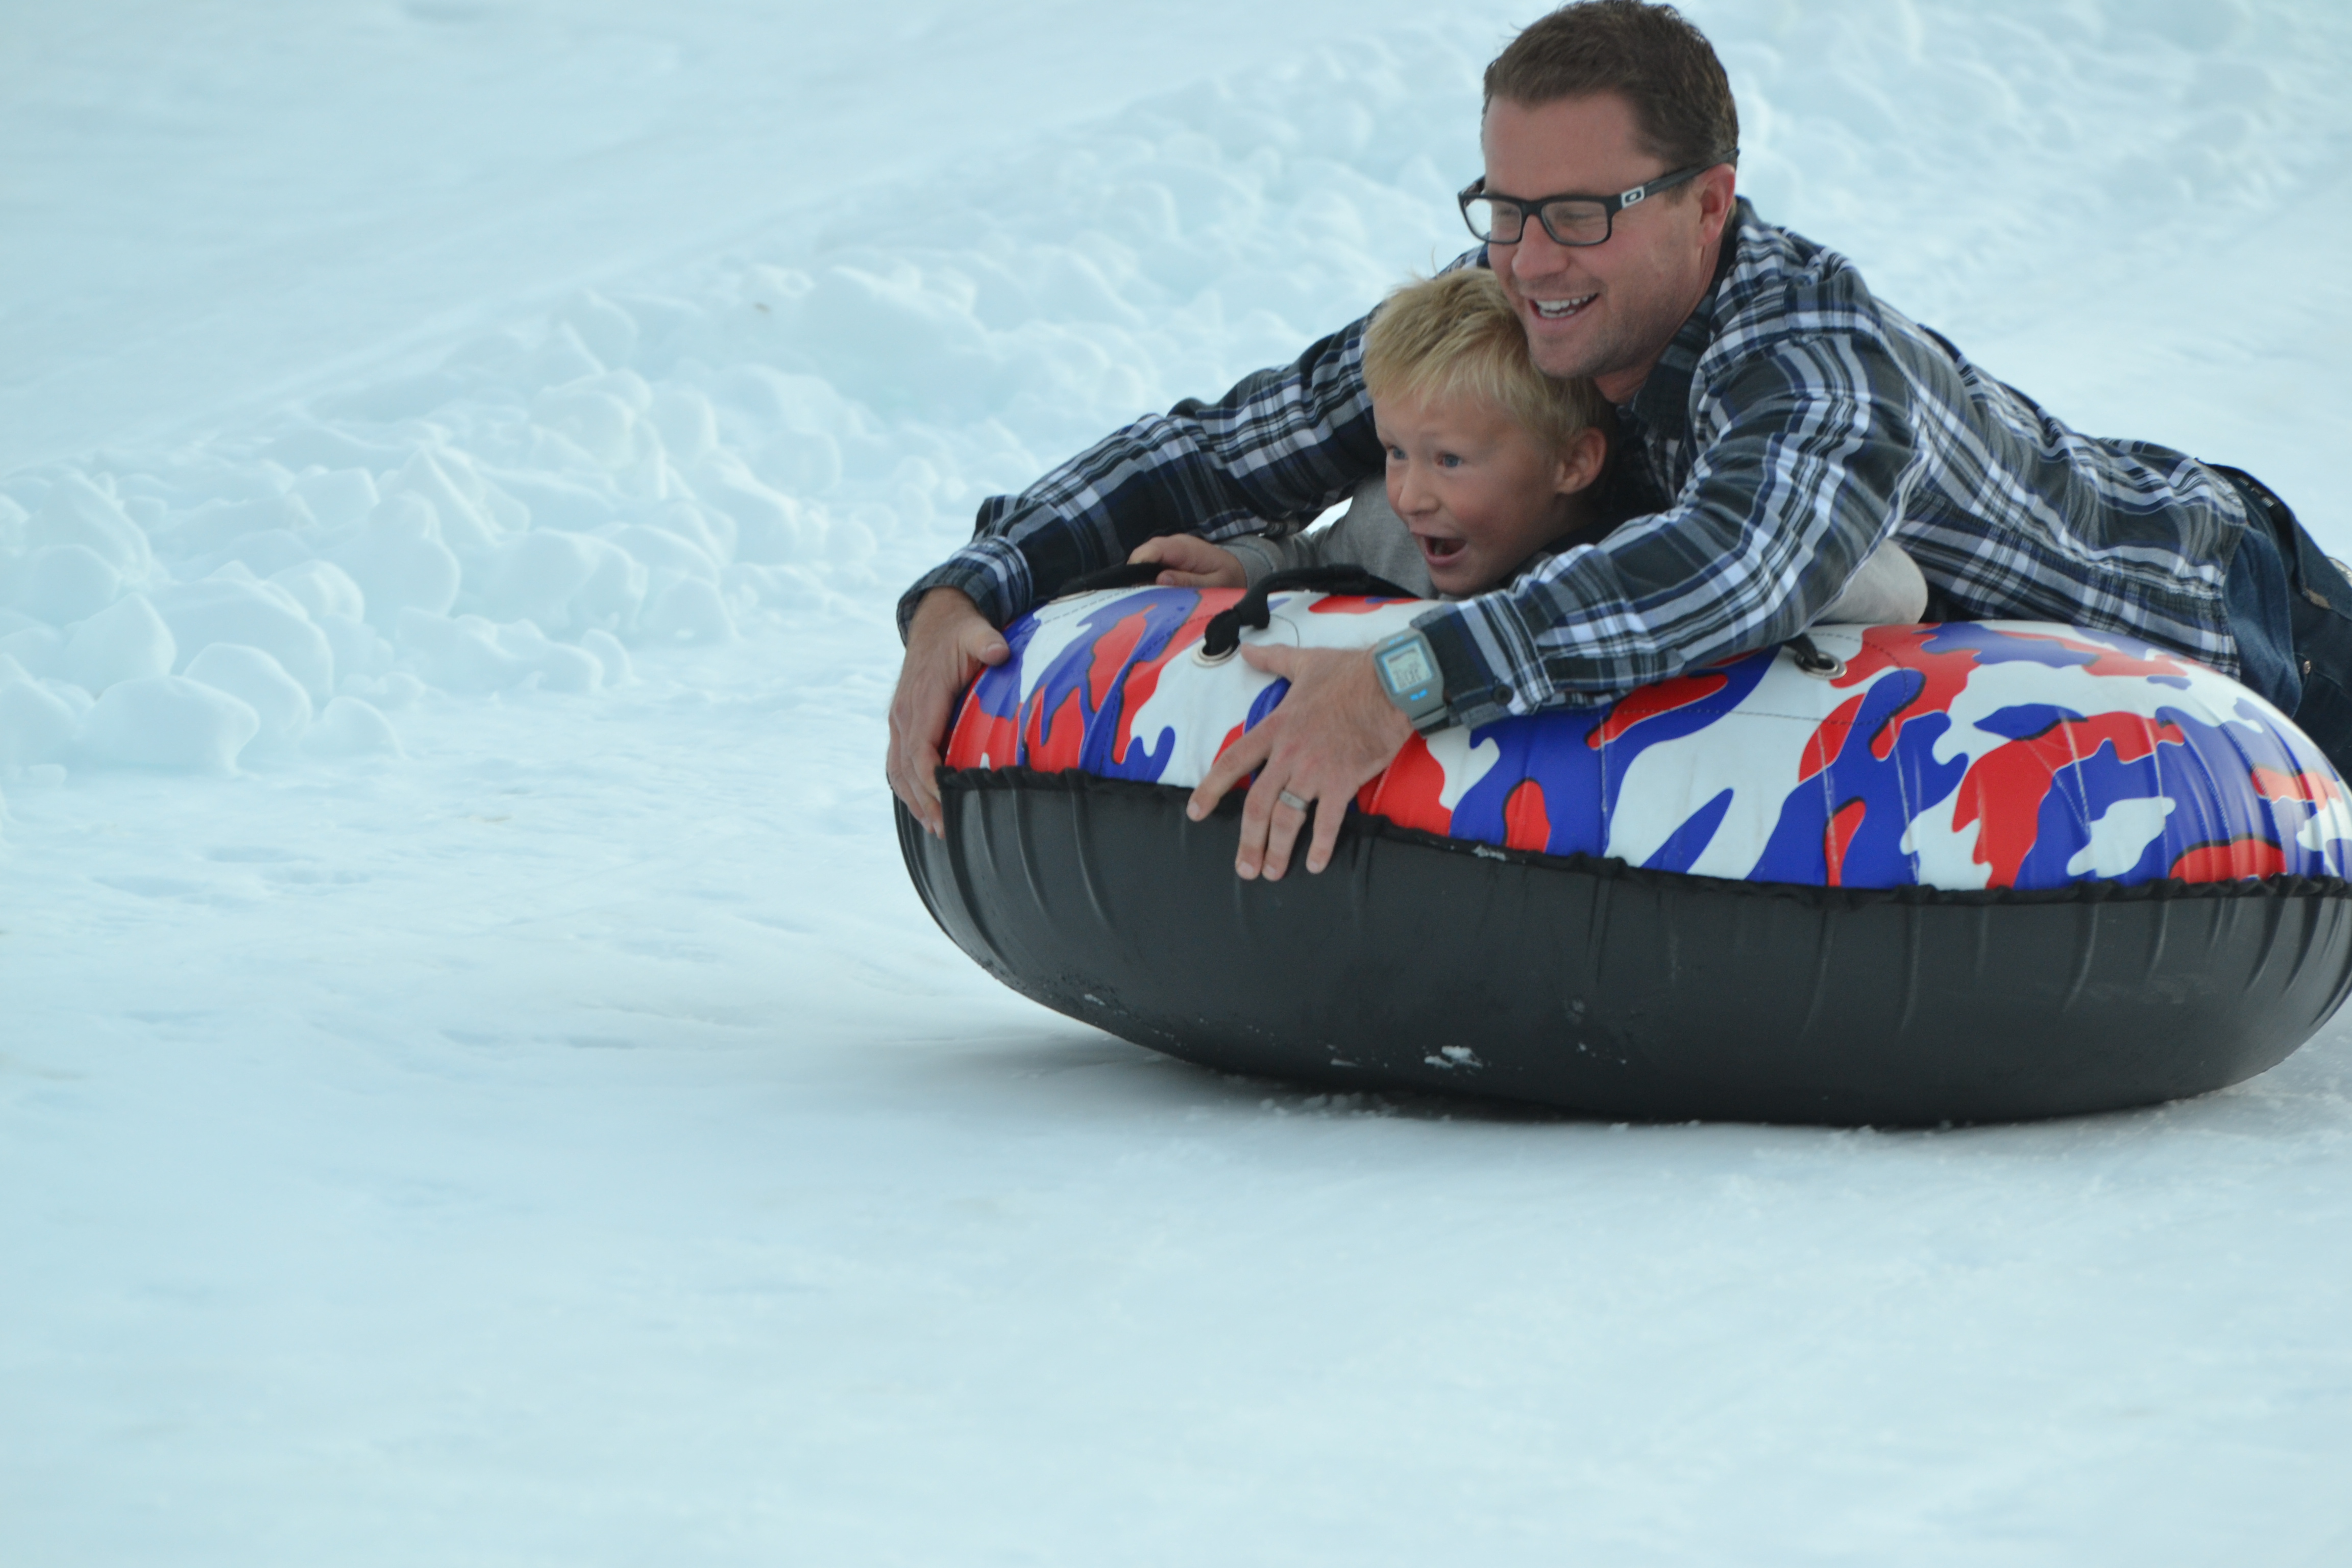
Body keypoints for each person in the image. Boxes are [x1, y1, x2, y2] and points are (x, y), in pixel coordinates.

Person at [888, 0, 2352, 886]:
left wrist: (1408, 677)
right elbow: (1232, 441)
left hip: (2232, 605)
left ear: (1708, 205)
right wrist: (981, 580)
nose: (1529, 258)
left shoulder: (1812, 349)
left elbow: (1741, 567)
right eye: (1506, 207)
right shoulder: (1520, 303)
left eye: (1580, 212)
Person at [1130, 266, 1928, 626]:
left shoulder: (1647, 539)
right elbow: (1315, 559)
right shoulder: (1392, 526)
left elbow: (1897, 588)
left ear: (1572, 462)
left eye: (1448, 459)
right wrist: (1247, 569)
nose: (1410, 492)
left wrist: (1730, 567)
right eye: (1396, 451)